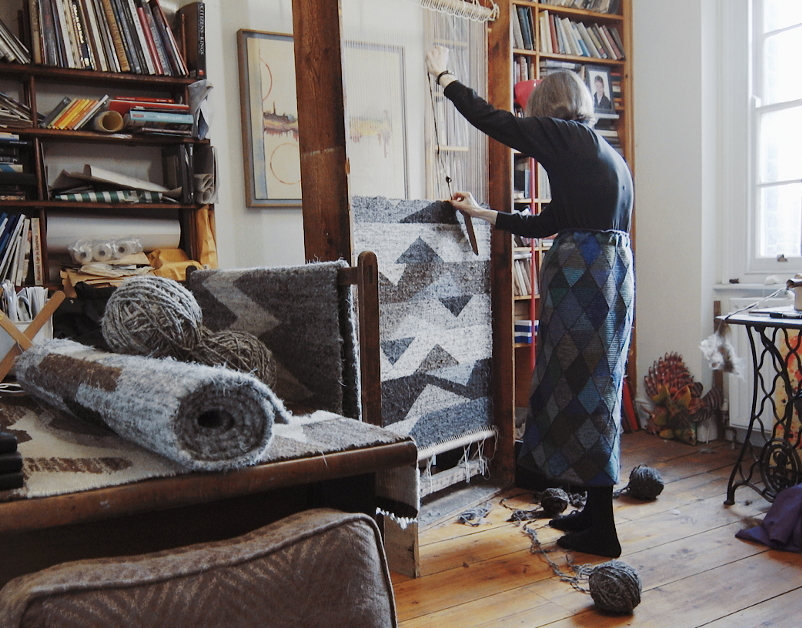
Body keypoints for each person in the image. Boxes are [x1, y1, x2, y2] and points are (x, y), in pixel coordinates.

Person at [425, 46, 634, 558]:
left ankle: (602, 529)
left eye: (534, 115)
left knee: (584, 393)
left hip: (585, 279)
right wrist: (483, 213)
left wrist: (445, 75)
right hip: (609, 276)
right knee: (593, 391)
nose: (530, 125)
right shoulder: (603, 152)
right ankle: (593, 511)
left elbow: (496, 122)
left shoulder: (566, 138)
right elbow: (549, 222)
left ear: (548, 110)